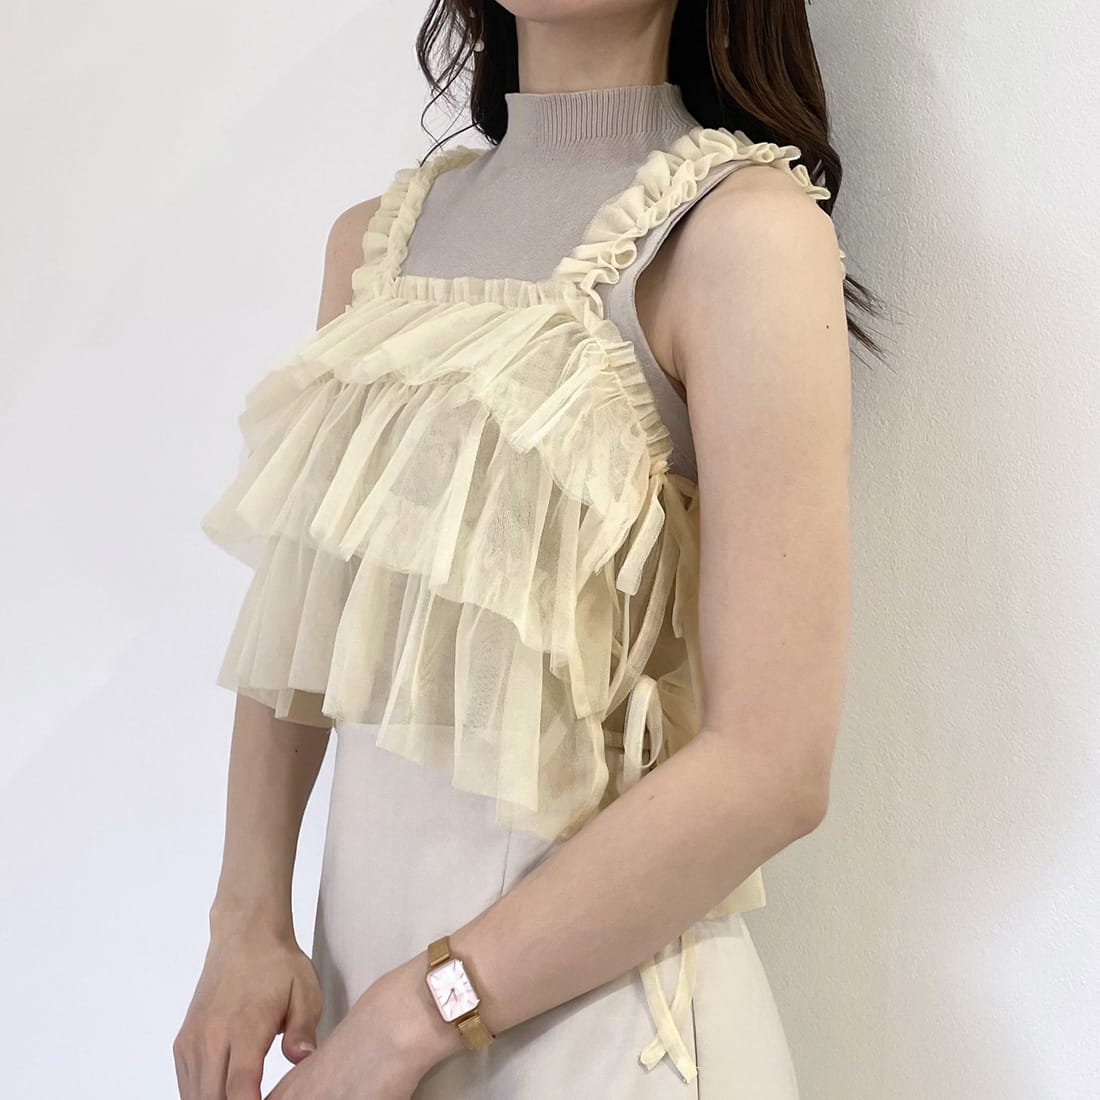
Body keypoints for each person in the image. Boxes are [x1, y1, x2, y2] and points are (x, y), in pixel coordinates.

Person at [175, 2, 879, 1097]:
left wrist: (415, 1018)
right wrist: (245, 920)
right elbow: (305, 620)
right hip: (357, 1026)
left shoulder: (742, 233)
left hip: (597, 1039)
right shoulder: (374, 244)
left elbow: (771, 767)